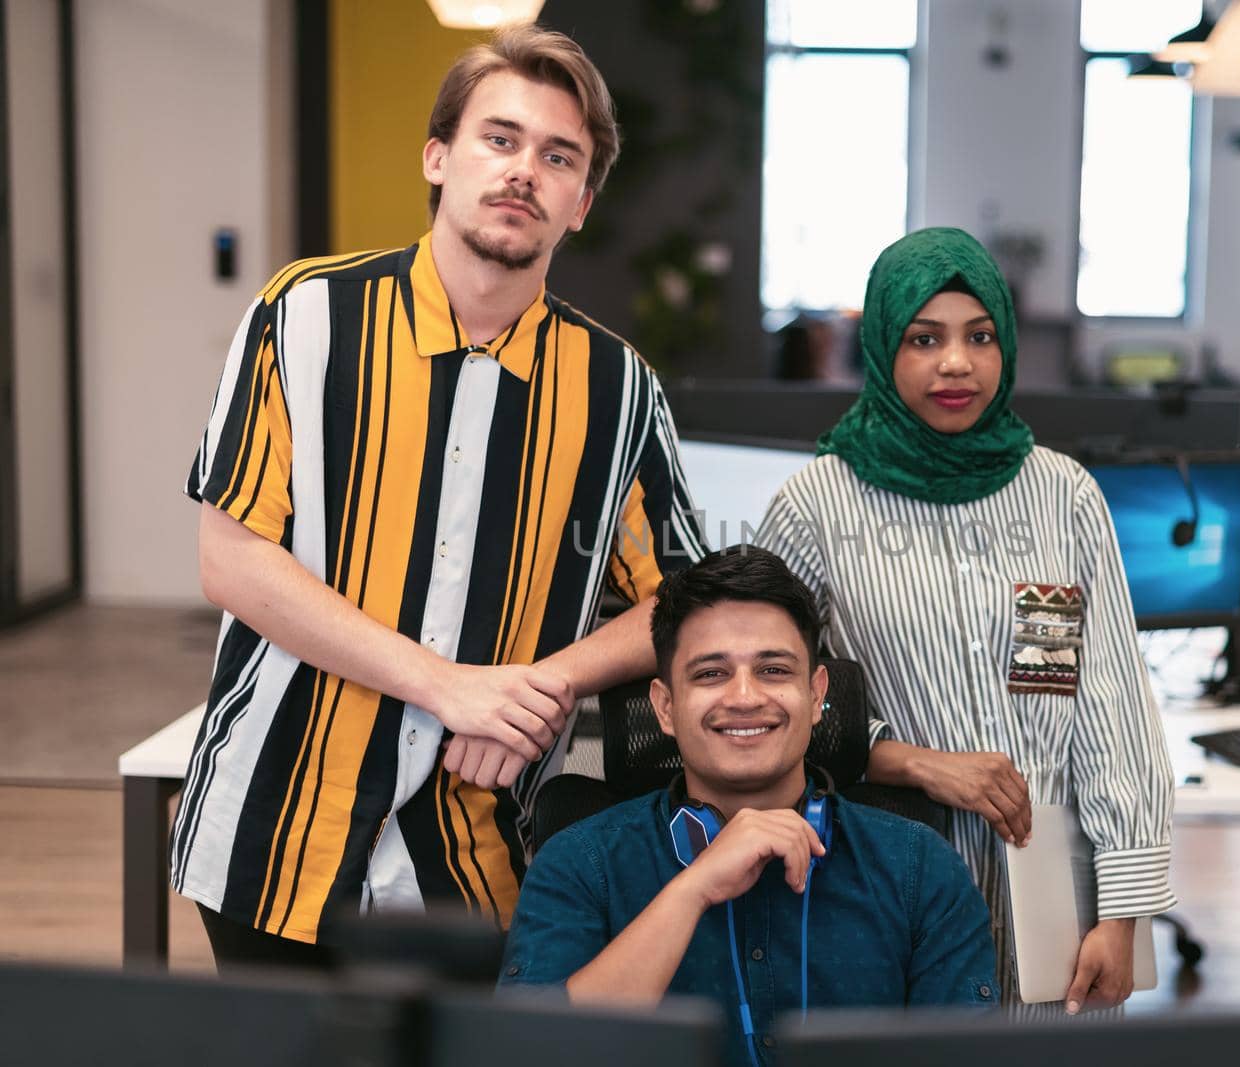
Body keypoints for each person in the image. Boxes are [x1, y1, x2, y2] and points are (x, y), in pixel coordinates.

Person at [174, 23, 705, 967]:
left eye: (557, 157)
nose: (522, 172)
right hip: (277, 828)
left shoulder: (619, 390)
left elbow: (685, 600)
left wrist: (542, 689)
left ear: (581, 202)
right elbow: (233, 559)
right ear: (439, 156)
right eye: (499, 139)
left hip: (476, 851)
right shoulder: (305, 318)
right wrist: (449, 688)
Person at [755, 227, 1175, 1014]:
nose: (957, 363)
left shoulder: (1063, 496)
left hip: (1054, 892)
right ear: (883, 348)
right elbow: (766, 705)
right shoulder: (816, 506)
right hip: (889, 880)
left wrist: (1121, 910)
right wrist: (914, 760)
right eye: (925, 338)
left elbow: (1112, 707)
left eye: (980, 336)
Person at [500, 547, 997, 1065]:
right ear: (665, 707)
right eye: (711, 674)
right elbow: (530, 1053)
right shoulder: (580, 862)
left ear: (816, 694)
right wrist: (692, 890)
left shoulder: (921, 868)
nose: (744, 697)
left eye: (774, 670)